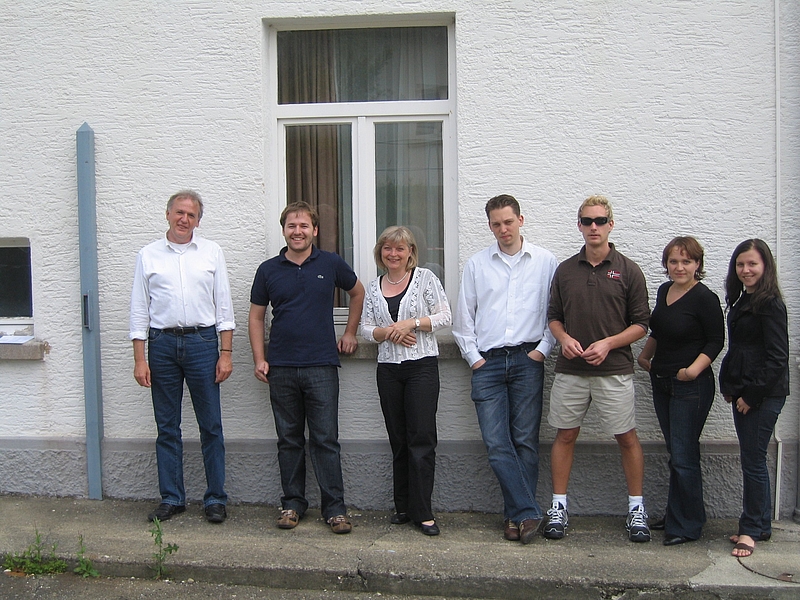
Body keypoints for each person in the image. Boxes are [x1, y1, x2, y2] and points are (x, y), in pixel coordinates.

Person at [248, 201, 365, 535]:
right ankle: (292, 504)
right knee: (289, 440)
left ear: (314, 230)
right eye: (291, 226)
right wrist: (259, 357)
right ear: (284, 230)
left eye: (303, 226)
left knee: (326, 440)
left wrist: (350, 332)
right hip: (281, 367)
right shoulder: (268, 270)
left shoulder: (330, 263)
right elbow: (256, 316)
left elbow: (357, 294)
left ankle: (335, 509)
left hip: (321, 365)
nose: (297, 232)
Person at [546, 194, 651, 543]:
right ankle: (558, 507)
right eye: (587, 221)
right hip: (571, 369)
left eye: (600, 221)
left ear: (611, 225)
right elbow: (554, 317)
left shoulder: (629, 270)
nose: (594, 227)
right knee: (565, 435)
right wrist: (563, 338)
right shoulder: (565, 271)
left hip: (614, 370)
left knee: (626, 437)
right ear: (579, 225)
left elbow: (641, 324)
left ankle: (636, 509)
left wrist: (608, 344)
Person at [453, 194, 558, 544]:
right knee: (497, 443)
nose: (503, 229)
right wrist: (474, 358)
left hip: (528, 359)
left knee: (525, 441)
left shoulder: (545, 262)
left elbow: (555, 312)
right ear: (490, 226)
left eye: (508, 222)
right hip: (488, 362)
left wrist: (542, 350)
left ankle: (514, 518)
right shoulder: (477, 265)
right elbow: (464, 318)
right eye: (496, 224)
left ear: (521, 220)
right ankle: (528, 512)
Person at [130, 190, 234, 524]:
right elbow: (139, 310)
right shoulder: (148, 255)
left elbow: (224, 306)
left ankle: (215, 498)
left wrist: (225, 353)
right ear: (168, 214)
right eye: (179, 212)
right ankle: (172, 497)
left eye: (191, 215)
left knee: (211, 425)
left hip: (203, 343)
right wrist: (140, 359)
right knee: (167, 426)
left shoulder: (211, 252)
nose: (184, 219)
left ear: (198, 221)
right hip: (161, 345)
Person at [360, 226, 451, 536]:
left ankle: (423, 512)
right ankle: (402, 506)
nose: (394, 254)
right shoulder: (374, 287)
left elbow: (444, 316)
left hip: (421, 367)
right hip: (388, 369)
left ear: (410, 251)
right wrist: (389, 333)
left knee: (421, 439)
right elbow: (366, 329)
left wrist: (410, 323)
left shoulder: (426, 279)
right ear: (380, 252)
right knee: (398, 440)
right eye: (388, 248)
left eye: (400, 248)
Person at [637, 237, 724, 545]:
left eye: (686, 261)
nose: (680, 267)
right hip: (662, 382)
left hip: (691, 386)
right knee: (676, 454)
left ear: (697, 264)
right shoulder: (665, 290)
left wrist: (693, 370)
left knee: (684, 456)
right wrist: (645, 355)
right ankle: (677, 515)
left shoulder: (705, 298)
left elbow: (716, 340)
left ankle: (688, 525)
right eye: (674, 261)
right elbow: (659, 330)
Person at [719, 239, 789, 558]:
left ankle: (750, 530)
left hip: (762, 395)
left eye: (752, 264)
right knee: (753, 458)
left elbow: (777, 358)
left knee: (753, 461)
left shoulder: (770, 303)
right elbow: (741, 349)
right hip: (745, 390)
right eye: (740, 264)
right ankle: (760, 525)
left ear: (765, 267)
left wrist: (751, 395)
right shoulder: (743, 299)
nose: (746, 270)